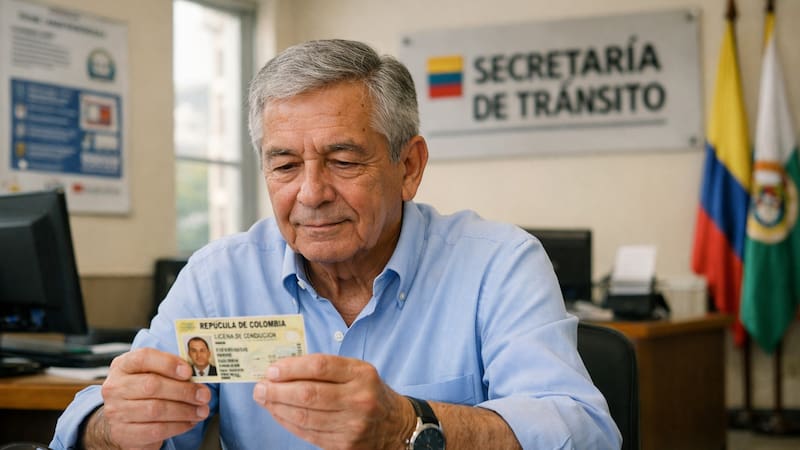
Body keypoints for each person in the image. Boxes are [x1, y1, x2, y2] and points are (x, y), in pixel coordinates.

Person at [51, 39, 621, 449]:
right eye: (284, 164)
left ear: (409, 166)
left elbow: (582, 430)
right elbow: (94, 418)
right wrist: (115, 426)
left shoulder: (498, 263)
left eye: (343, 160)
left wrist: (409, 424)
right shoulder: (218, 277)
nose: (311, 193)